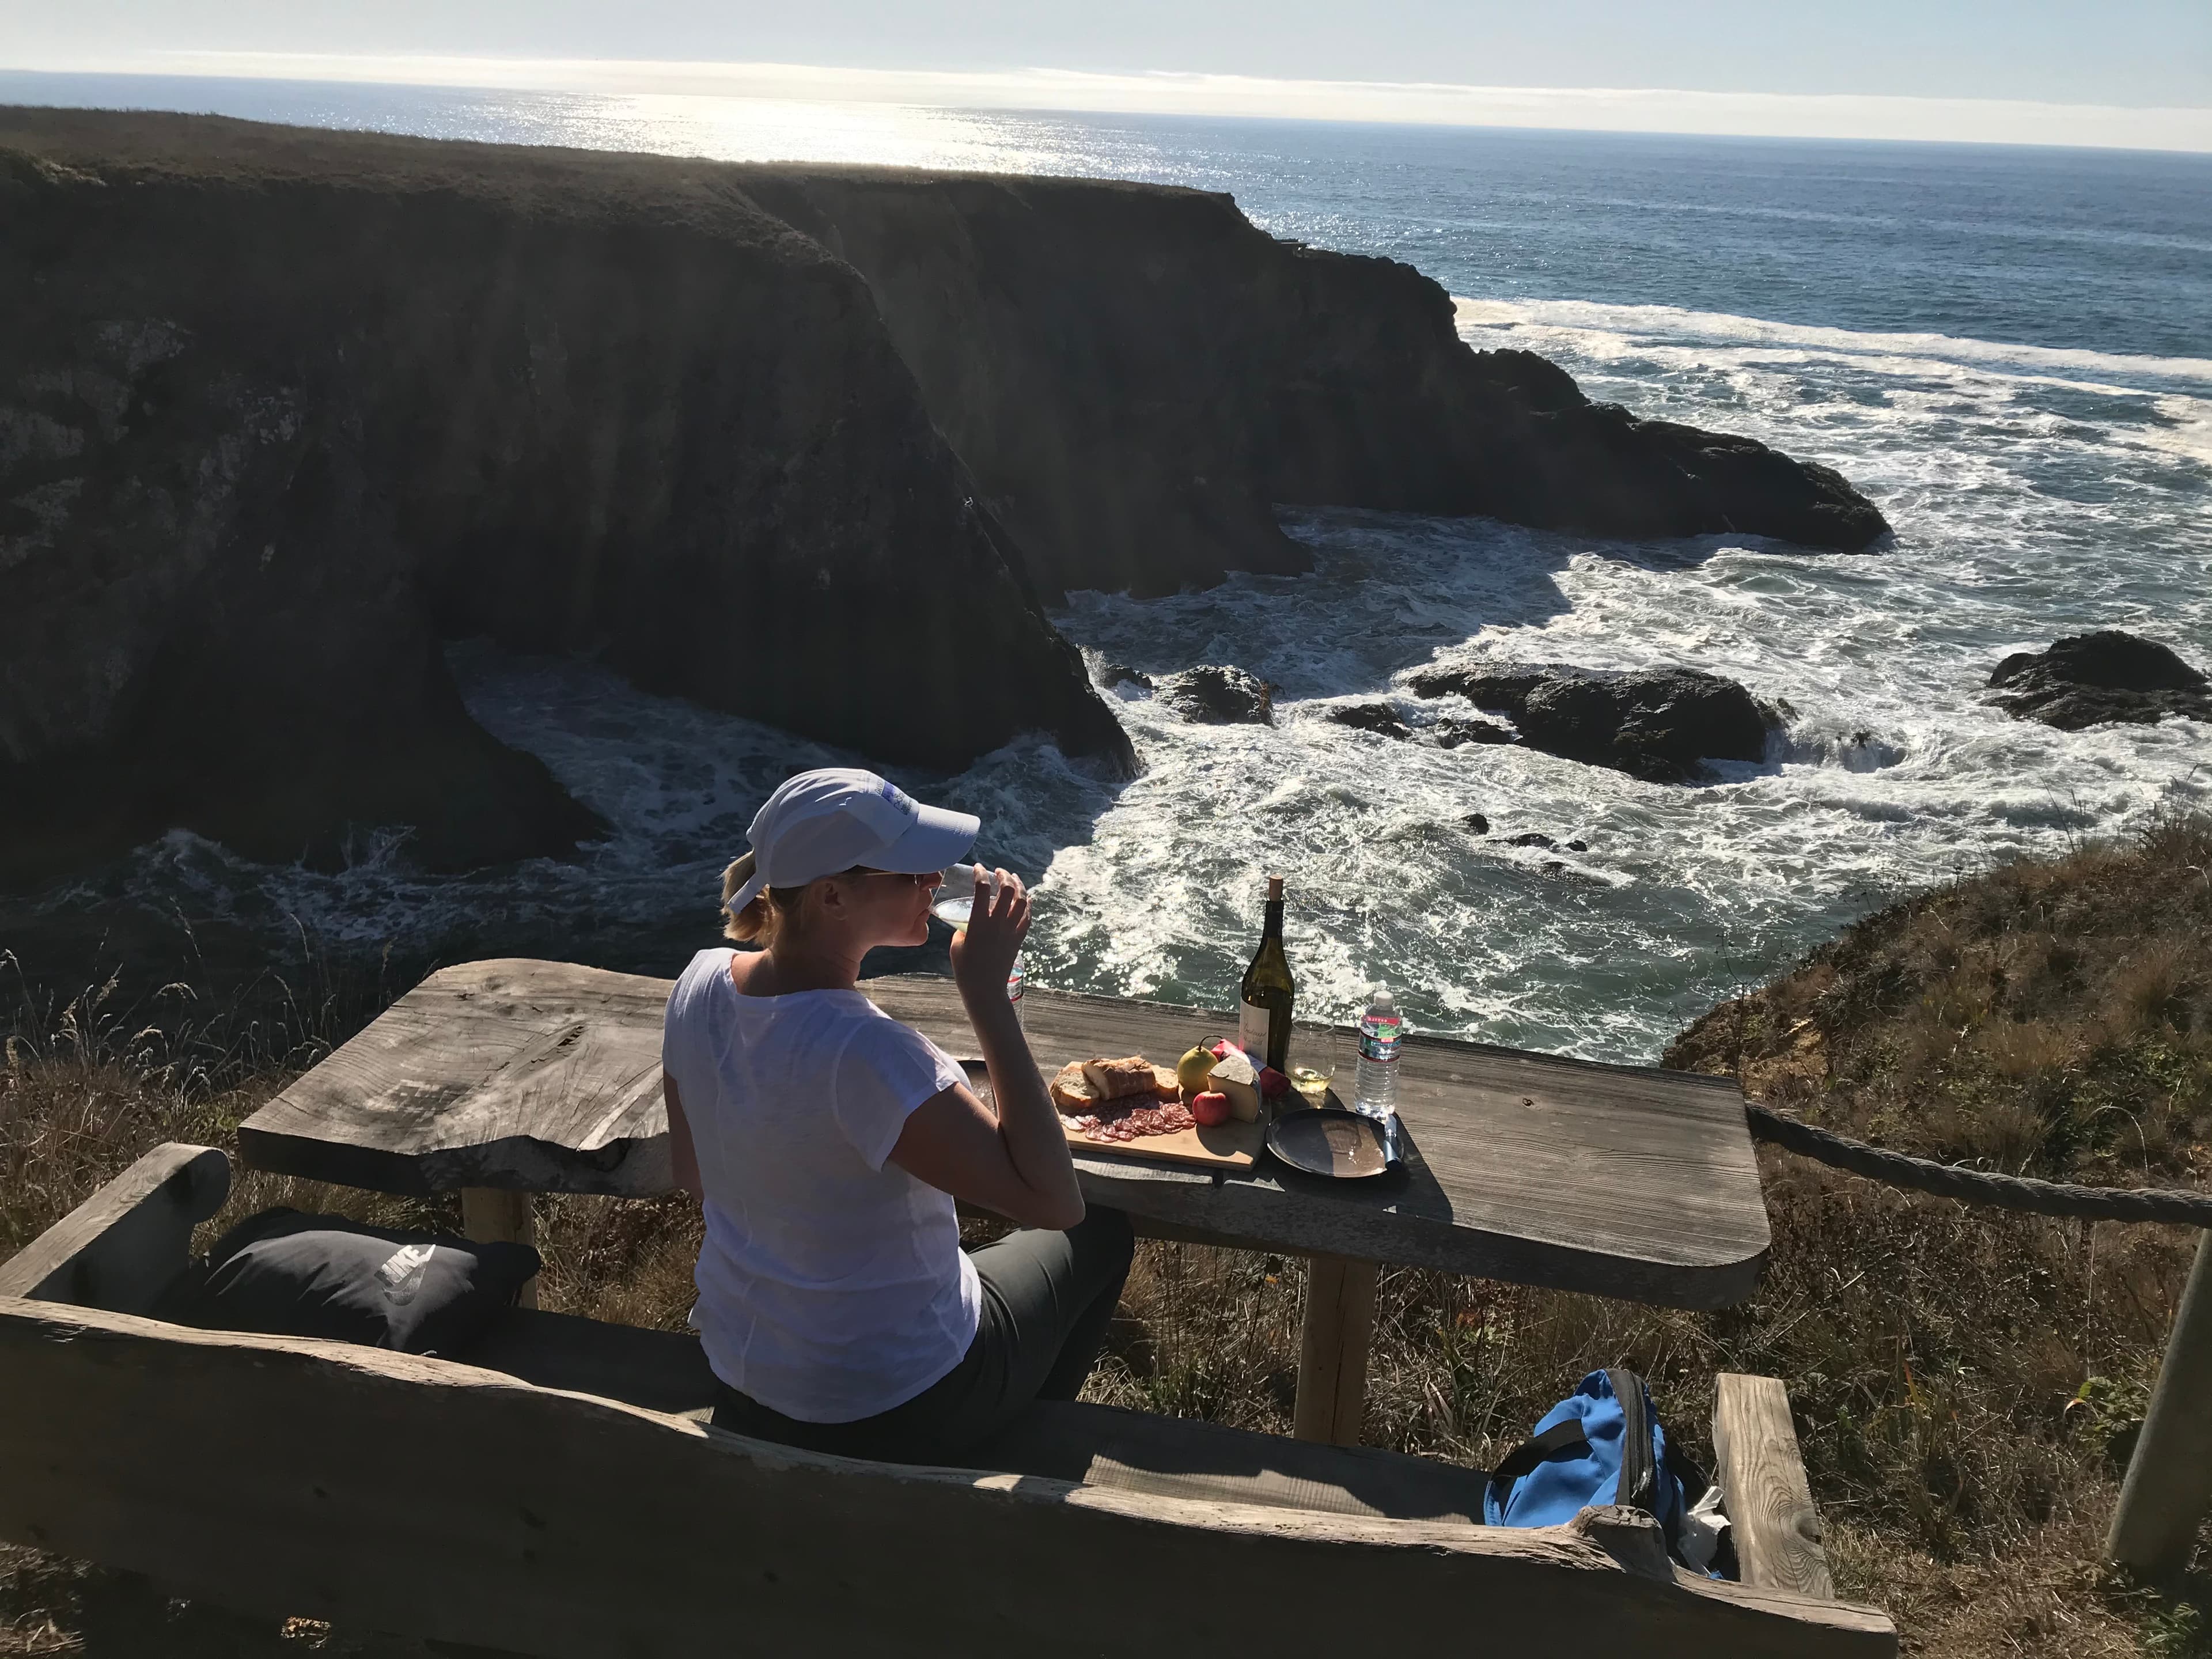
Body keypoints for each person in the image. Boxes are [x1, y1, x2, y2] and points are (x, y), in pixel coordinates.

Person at [659, 767, 1133, 1464]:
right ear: (832, 896)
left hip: (744, 1369)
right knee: (1102, 1236)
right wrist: (988, 996)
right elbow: (1055, 1201)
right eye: (911, 873)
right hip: (892, 1401)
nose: (935, 884)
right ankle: (1019, 1453)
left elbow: (692, 1174)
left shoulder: (697, 984)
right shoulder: (870, 1052)